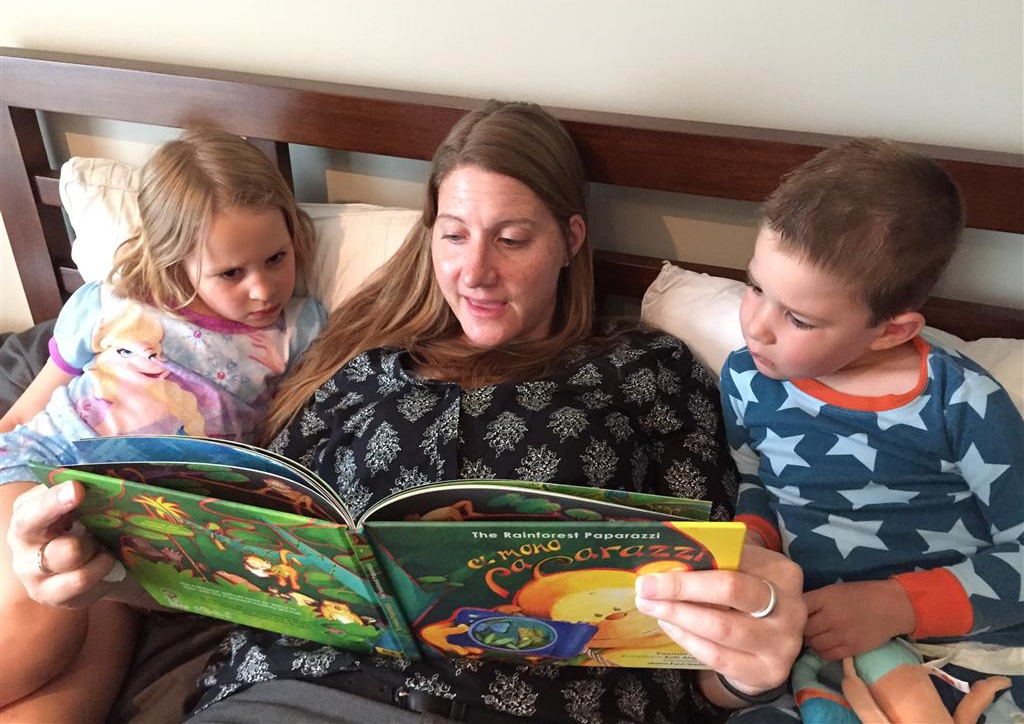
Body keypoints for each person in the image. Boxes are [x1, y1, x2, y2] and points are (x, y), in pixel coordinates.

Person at [7, 102, 806, 724]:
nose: (475, 273)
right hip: (293, 695)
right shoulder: (355, 368)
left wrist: (748, 671)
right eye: (453, 236)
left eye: (512, 239)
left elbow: (703, 615)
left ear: (569, 239)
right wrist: (103, 573)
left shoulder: (648, 372)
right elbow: (248, 567)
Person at [0, 128, 326, 723]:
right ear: (174, 260)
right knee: (43, 636)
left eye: (276, 259)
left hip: (141, 531)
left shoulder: (298, 332)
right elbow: (25, 411)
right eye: (230, 273)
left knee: (73, 701)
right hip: (39, 475)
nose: (262, 288)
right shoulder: (114, 301)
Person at [720, 139, 1023, 722]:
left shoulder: (961, 400)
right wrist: (751, 543)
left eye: (799, 318)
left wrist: (898, 604)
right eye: (755, 286)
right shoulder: (747, 379)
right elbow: (755, 478)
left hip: (964, 658)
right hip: (815, 661)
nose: (756, 327)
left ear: (890, 331)